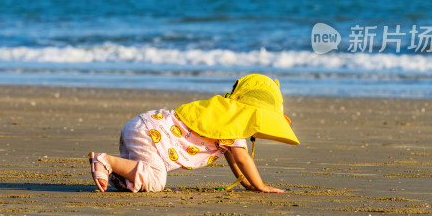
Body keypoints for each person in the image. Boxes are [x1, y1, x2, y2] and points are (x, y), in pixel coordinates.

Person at [88, 74, 299, 193]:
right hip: (149, 135)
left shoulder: (222, 115)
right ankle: (106, 161)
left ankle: (115, 172)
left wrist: (247, 184)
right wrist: (260, 185)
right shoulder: (234, 123)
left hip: (141, 126)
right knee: (155, 181)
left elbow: (233, 157)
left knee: (138, 182)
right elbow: (243, 159)